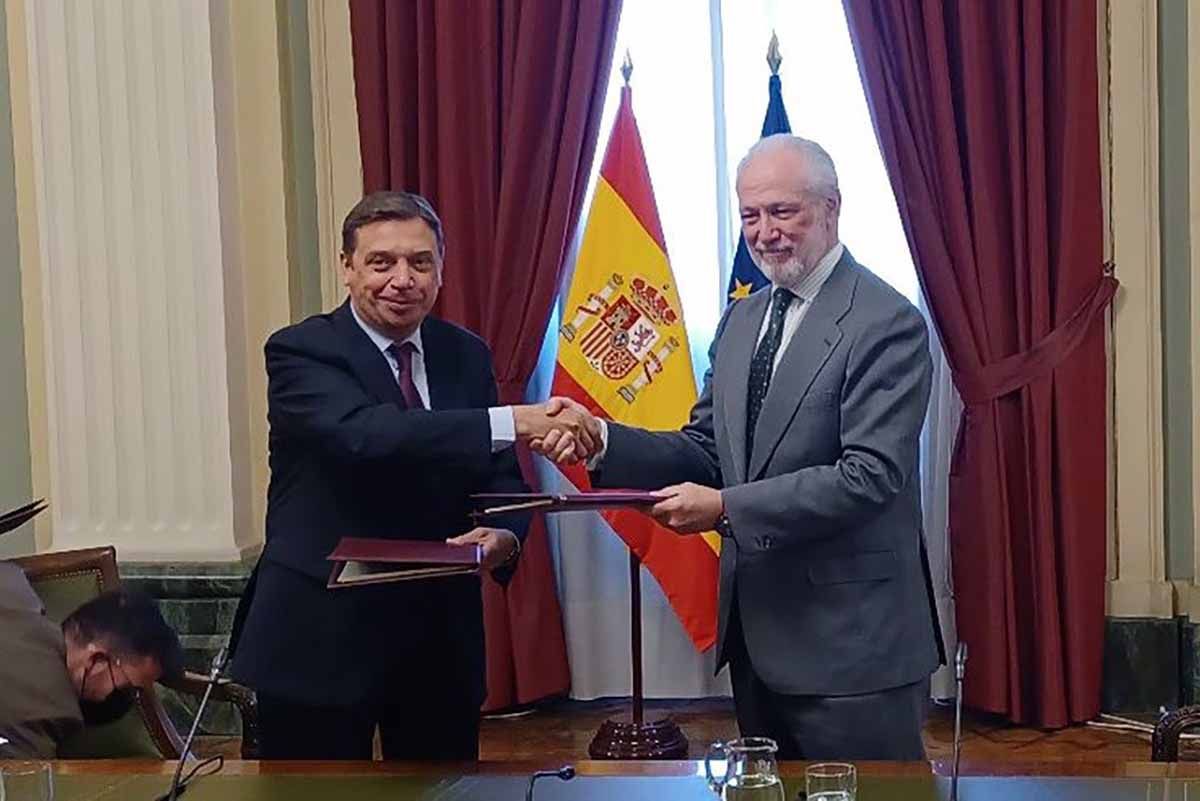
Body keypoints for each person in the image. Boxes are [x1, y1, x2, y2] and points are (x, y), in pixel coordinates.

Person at [536, 135, 944, 760]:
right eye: (751, 215)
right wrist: (602, 439)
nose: (764, 233)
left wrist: (724, 508)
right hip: (758, 640)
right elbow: (708, 447)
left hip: (852, 649)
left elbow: (868, 476)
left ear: (831, 209)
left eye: (783, 212)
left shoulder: (886, 321)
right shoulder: (743, 320)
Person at [228, 191, 592, 760]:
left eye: (420, 262)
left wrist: (506, 536)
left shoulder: (465, 355)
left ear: (440, 271)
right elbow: (370, 436)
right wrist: (514, 419)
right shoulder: (302, 350)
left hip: (436, 637)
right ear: (347, 268)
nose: (403, 279)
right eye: (382, 262)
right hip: (320, 634)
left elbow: (500, 478)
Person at [0, 562, 183, 759]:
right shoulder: (51, 710)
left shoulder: (11, 581)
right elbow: (26, 785)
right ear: (95, 659)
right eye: (126, 688)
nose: (124, 702)